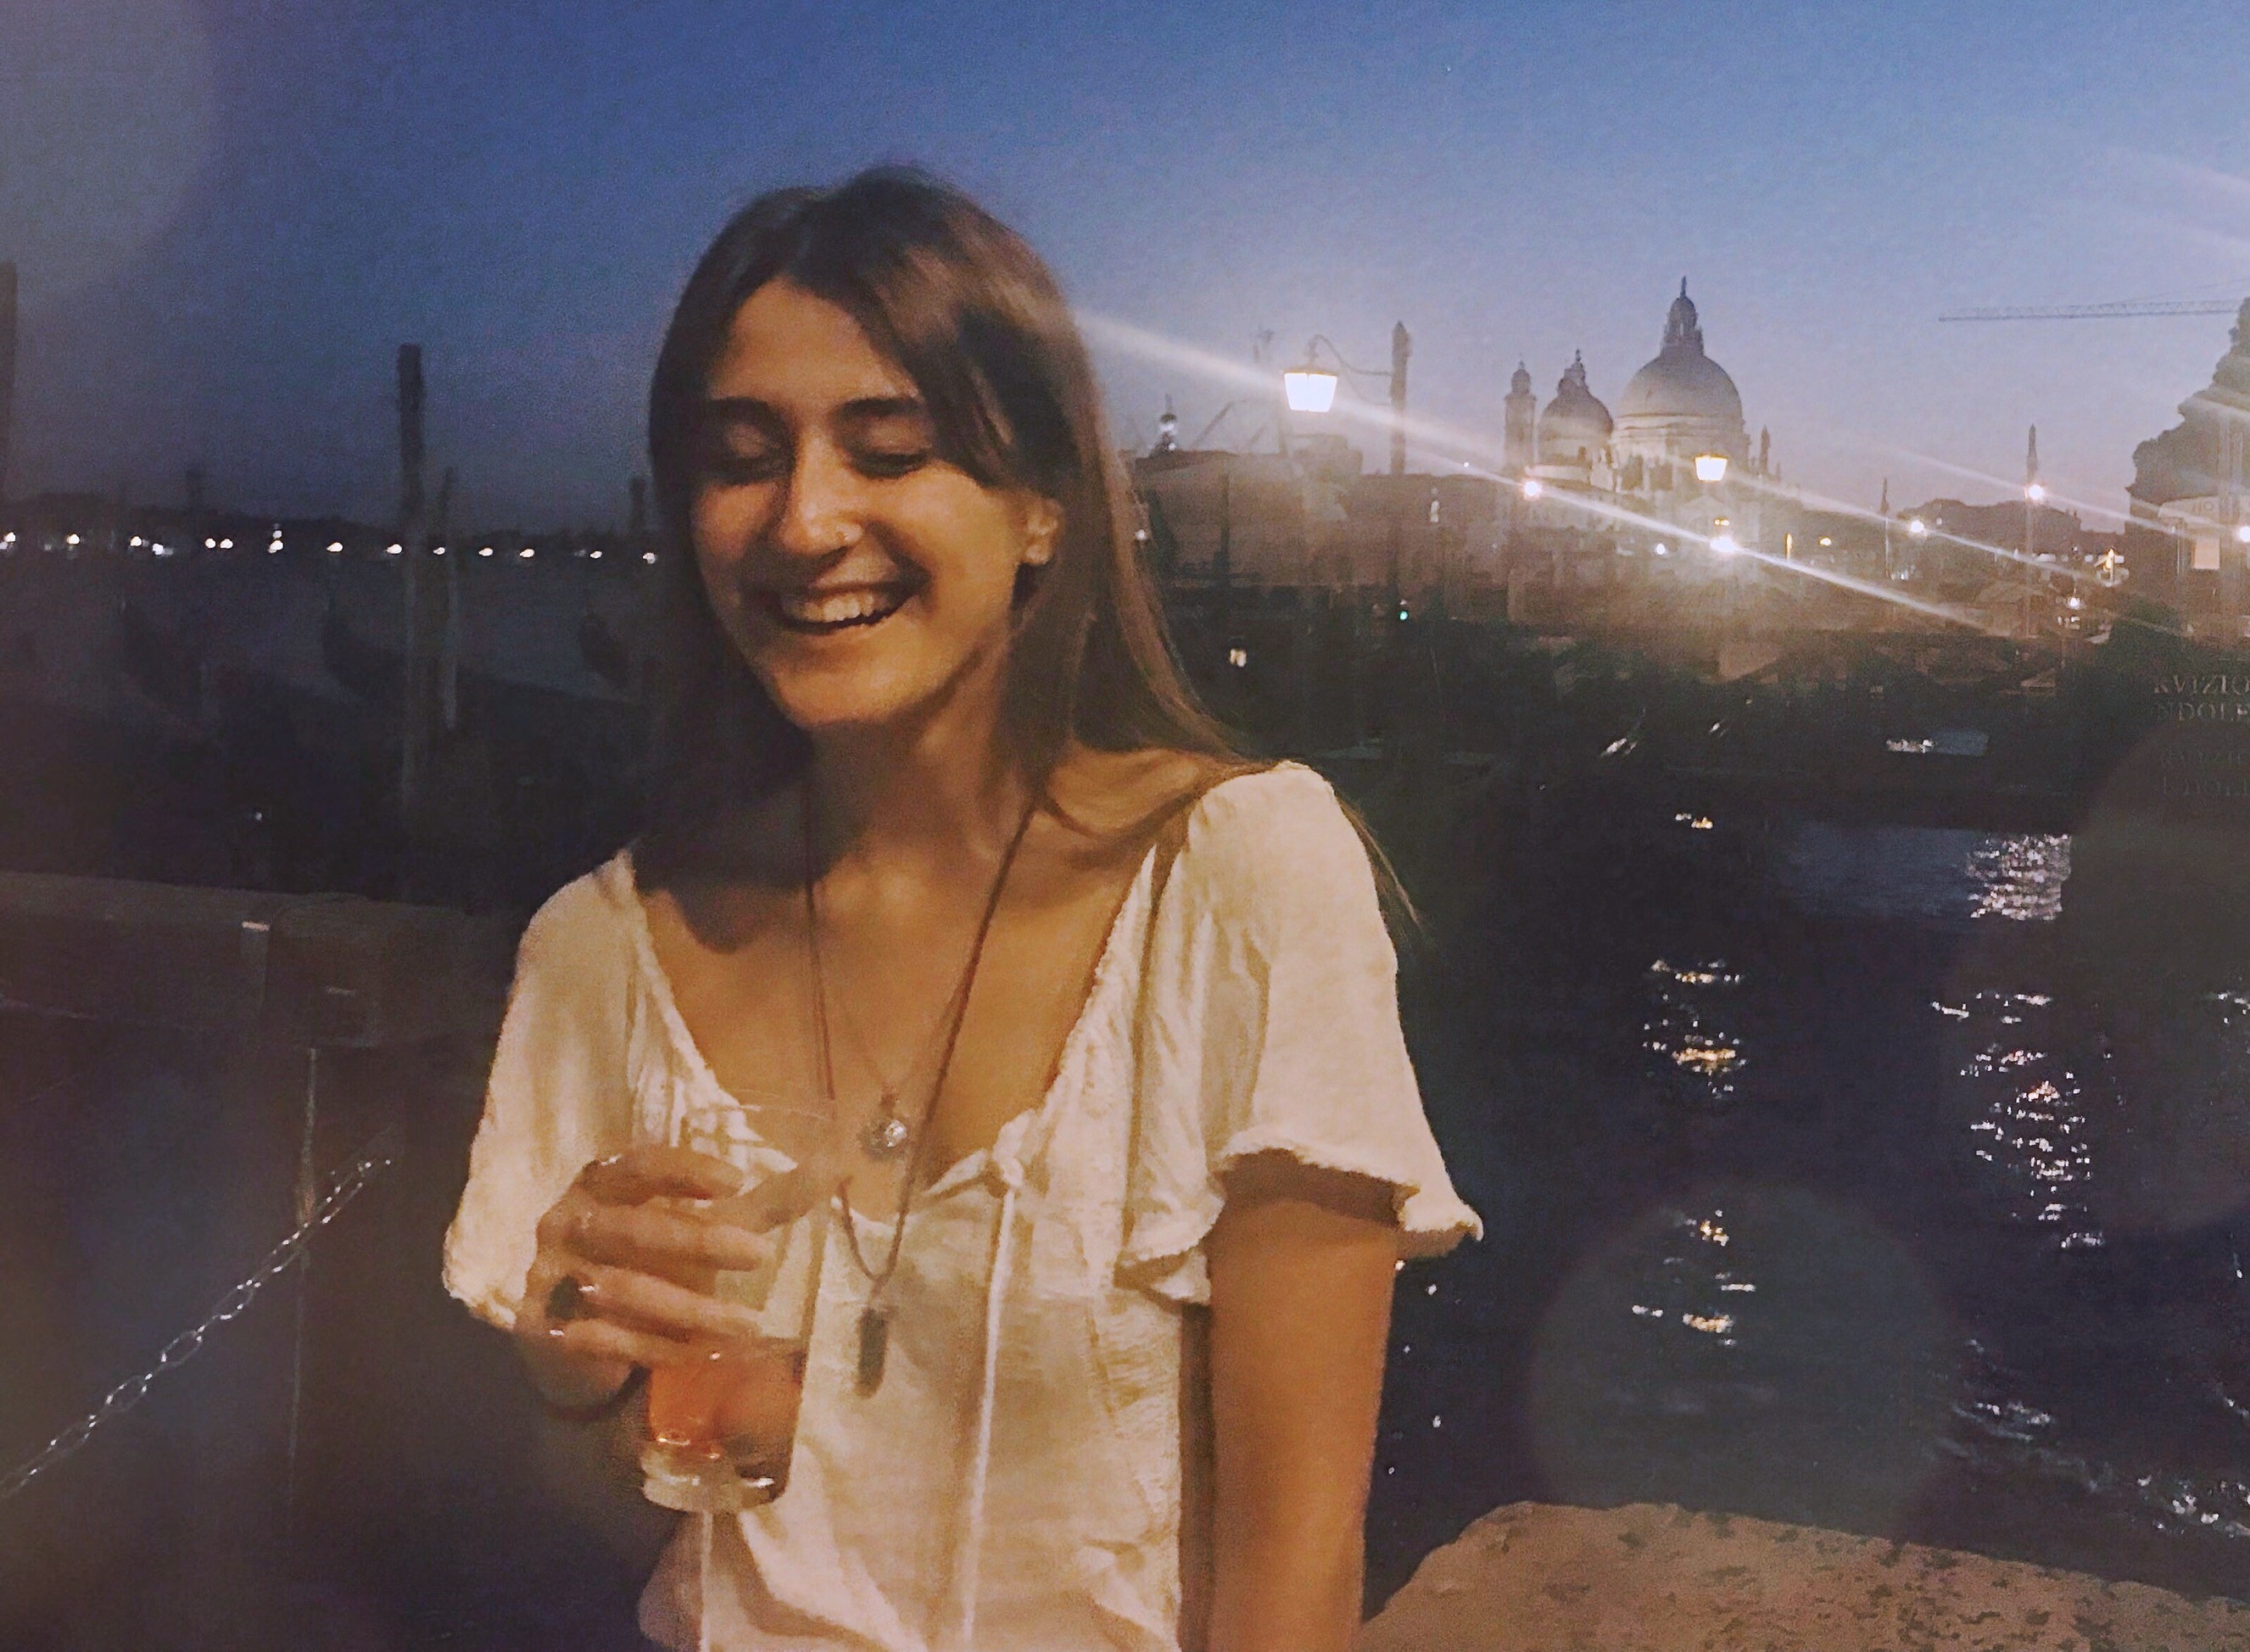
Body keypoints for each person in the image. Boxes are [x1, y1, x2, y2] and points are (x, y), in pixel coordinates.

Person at [443, 170, 1478, 1651]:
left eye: (892, 451)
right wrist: (573, 1371)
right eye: (740, 460)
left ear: (1043, 505)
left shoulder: (1237, 877)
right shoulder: (602, 947)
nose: (805, 521)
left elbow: (1295, 1573)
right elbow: (632, 1523)